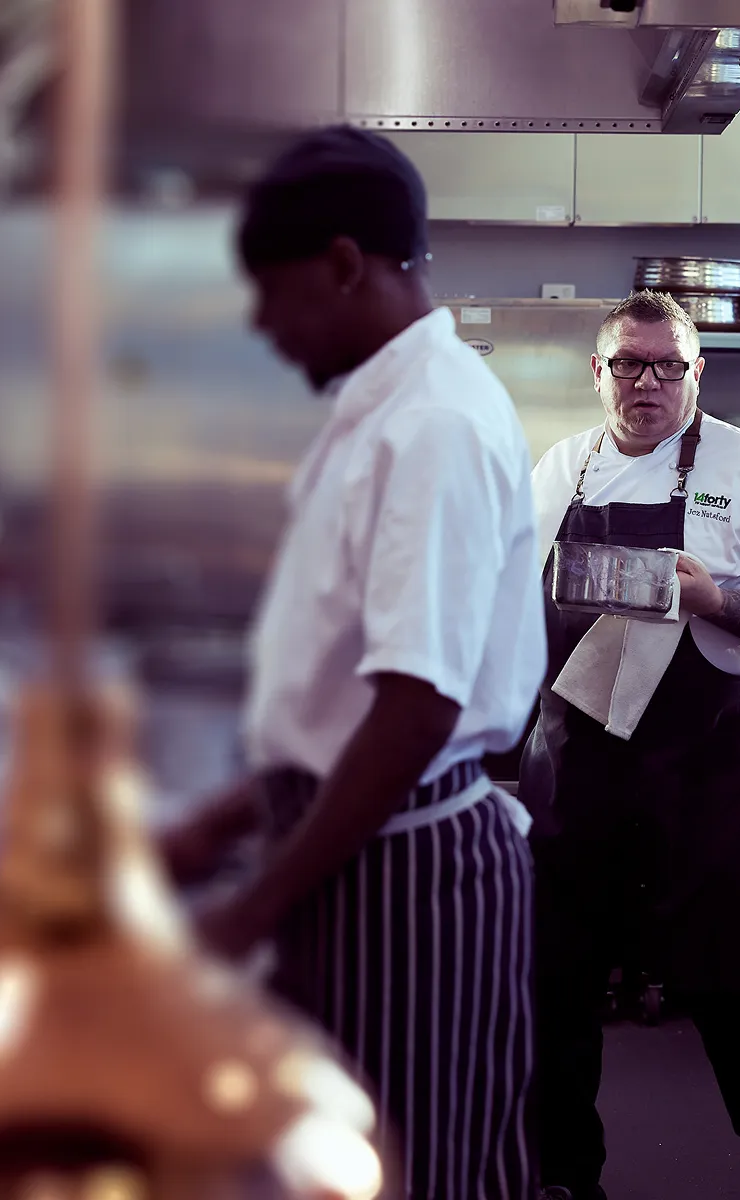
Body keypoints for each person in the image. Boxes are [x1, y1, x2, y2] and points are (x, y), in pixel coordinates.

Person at [157, 126, 547, 1200]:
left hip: (401, 879)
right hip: (358, 858)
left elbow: (416, 709)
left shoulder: (433, 424)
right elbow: (340, 698)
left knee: (402, 1172)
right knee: (354, 1161)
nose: (265, 326)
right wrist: (226, 822)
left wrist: (256, 900)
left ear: (343, 264)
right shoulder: (377, 414)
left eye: (275, 294)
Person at [522, 290, 740, 1200]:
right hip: (577, 772)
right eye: (628, 364)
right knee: (556, 986)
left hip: (708, 778)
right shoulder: (559, 470)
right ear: (599, 372)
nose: (647, 383)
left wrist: (711, 598)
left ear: (698, 371)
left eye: (667, 366)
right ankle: (568, 1178)